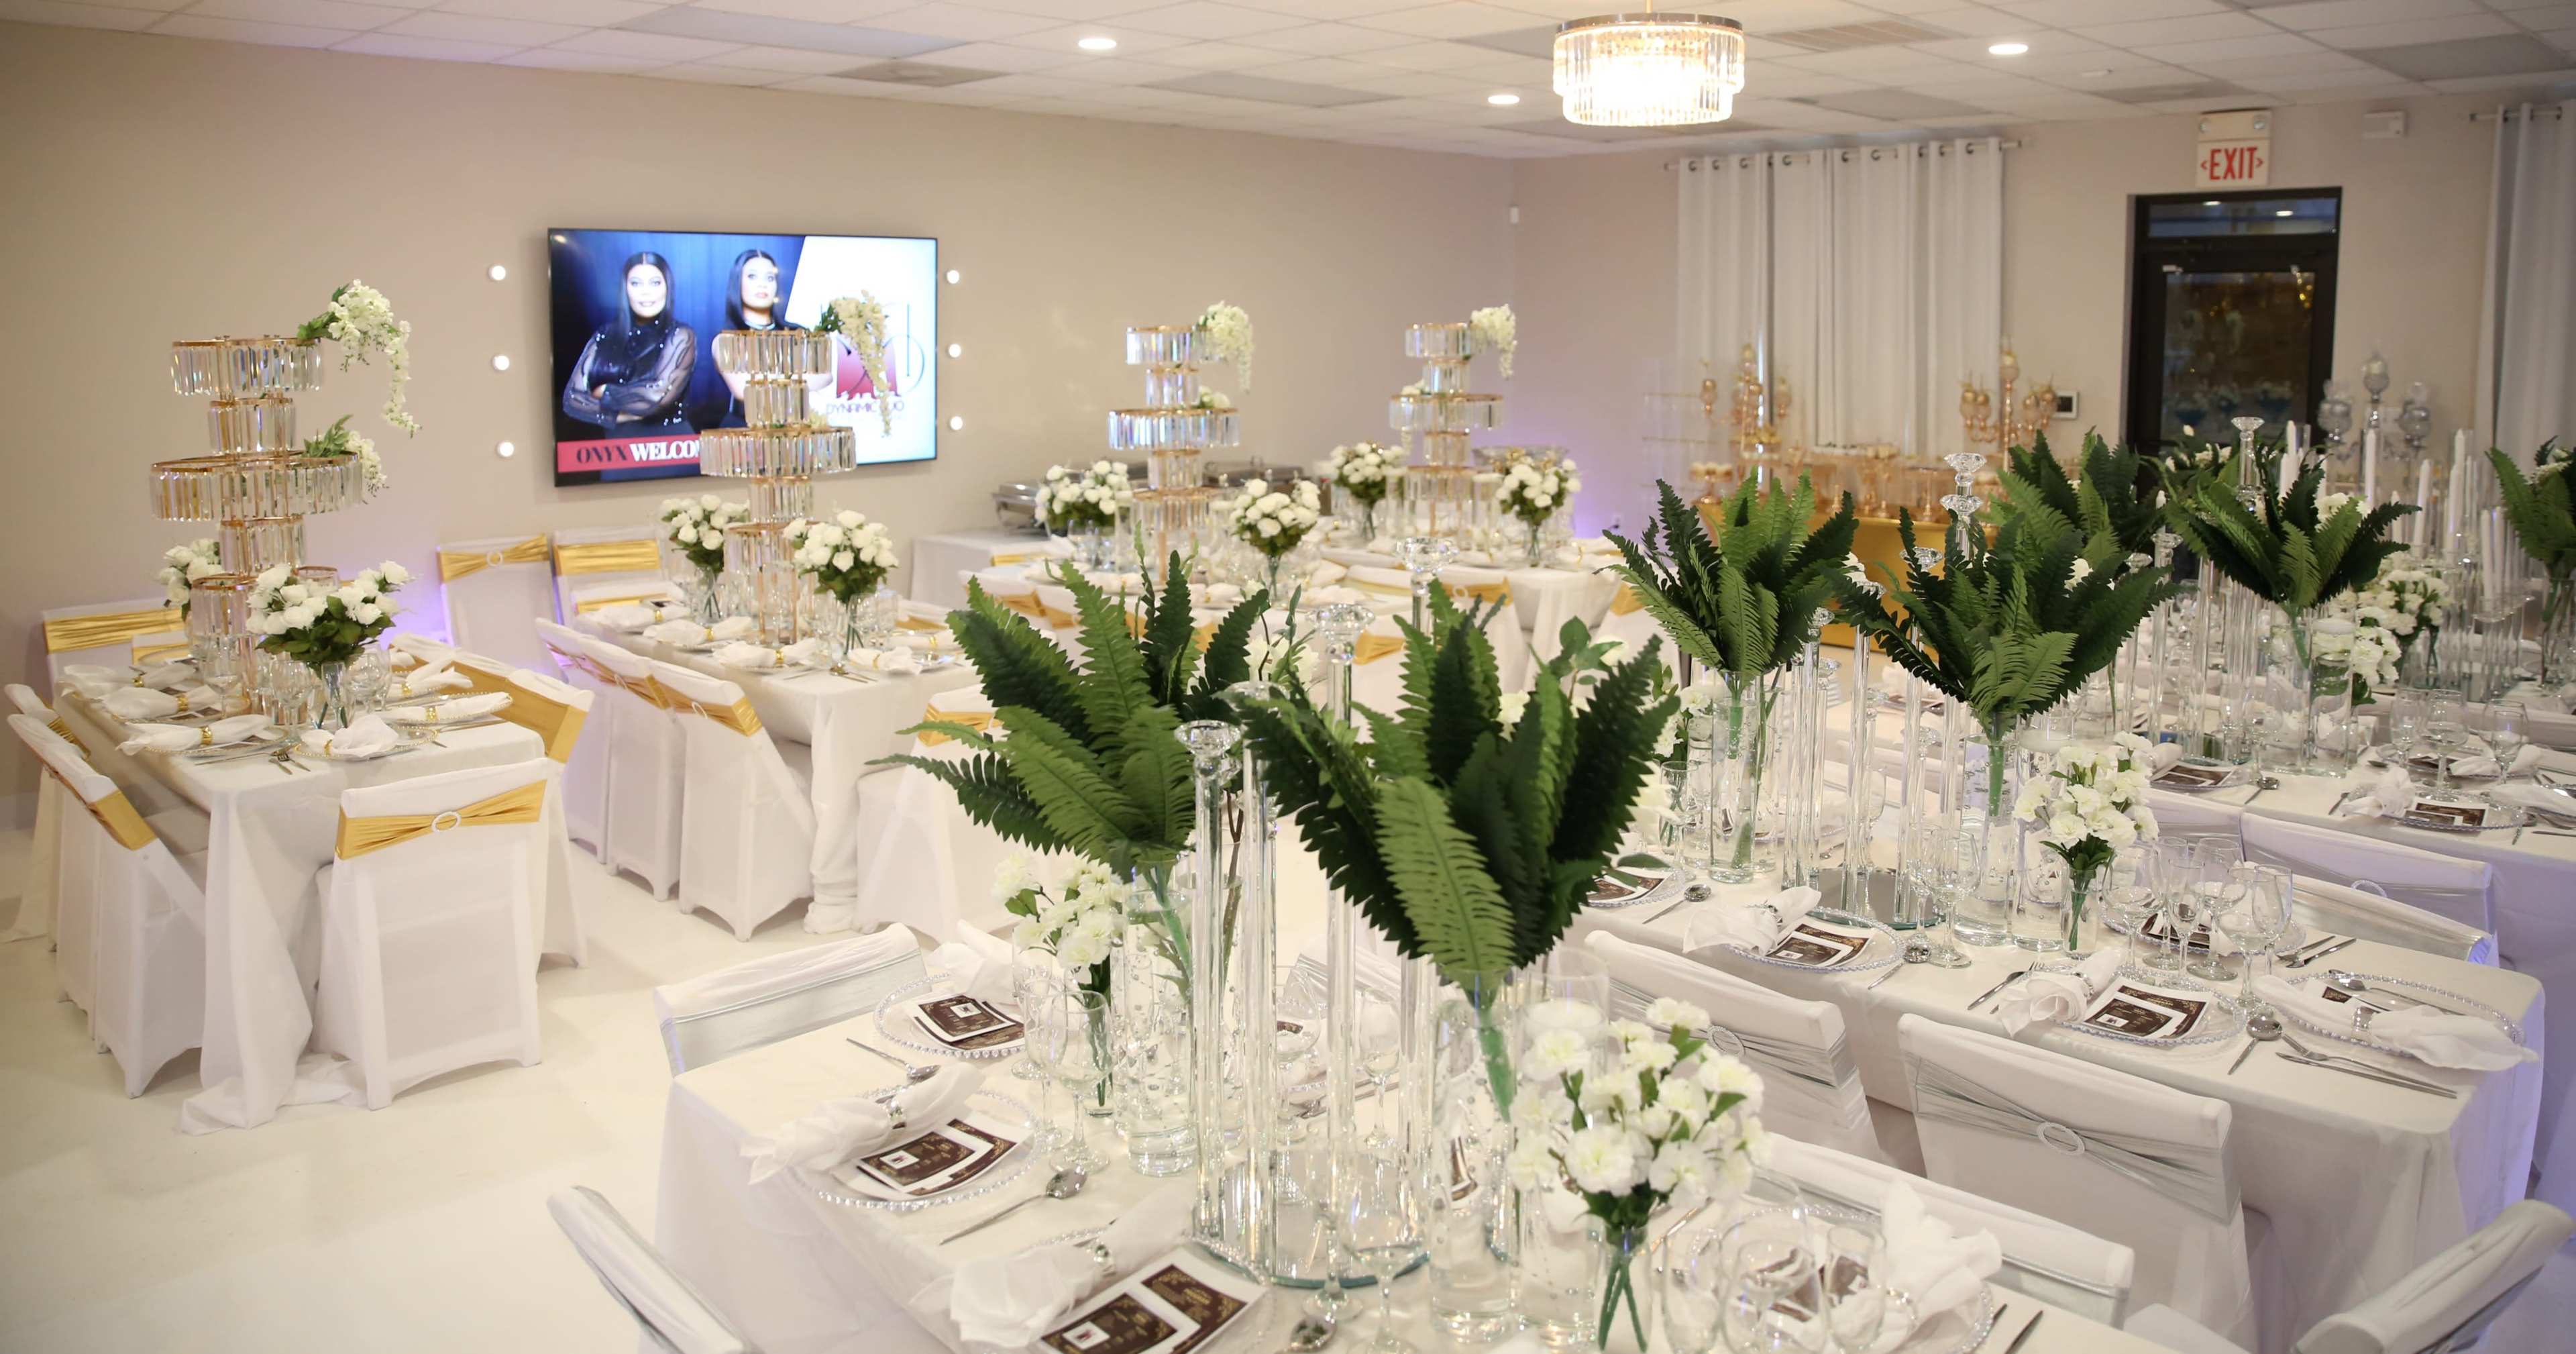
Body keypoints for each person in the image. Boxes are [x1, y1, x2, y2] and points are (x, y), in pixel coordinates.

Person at [561, 251, 696, 440]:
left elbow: (658, 395)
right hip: (617, 450)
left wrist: (606, 393)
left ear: (668, 287)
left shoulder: (681, 334)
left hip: (671, 446)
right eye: (635, 283)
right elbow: (571, 400)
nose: (645, 291)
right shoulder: (605, 334)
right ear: (625, 289)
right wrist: (620, 416)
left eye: (655, 283)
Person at [712, 248, 802, 429]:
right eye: (753, 277)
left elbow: (824, 376)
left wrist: (763, 378)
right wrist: (797, 376)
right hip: (743, 433)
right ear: (738, 282)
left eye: (770, 278)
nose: (763, 285)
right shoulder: (726, 340)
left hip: (792, 434)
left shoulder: (796, 332)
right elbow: (743, 390)